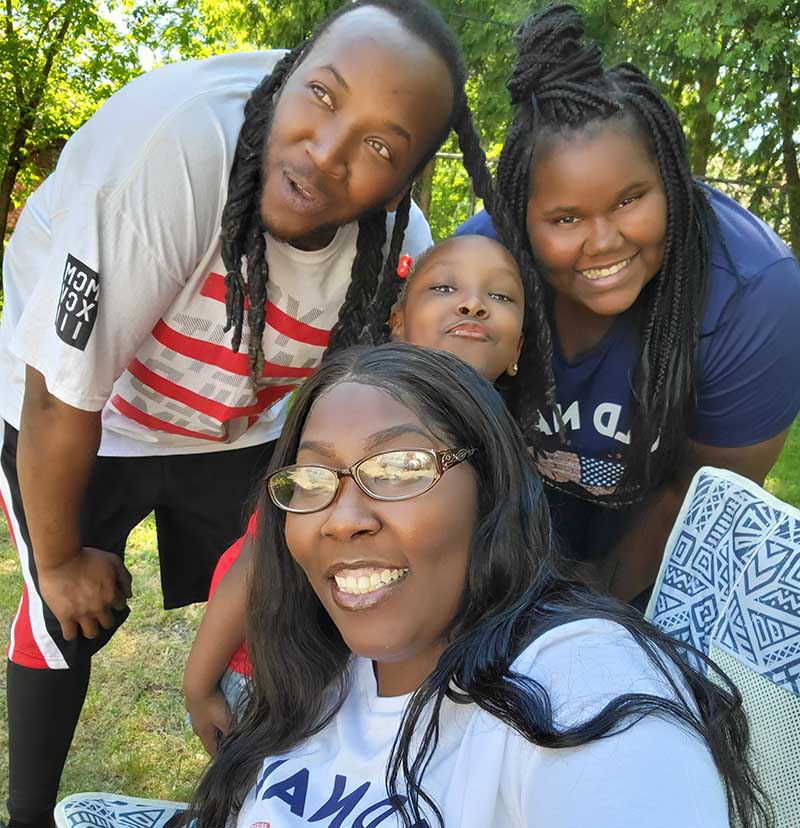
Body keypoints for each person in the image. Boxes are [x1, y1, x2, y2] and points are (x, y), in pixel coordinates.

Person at [0, 1, 494, 823]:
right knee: (67, 616)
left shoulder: (400, 248)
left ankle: (264, 794)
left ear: (405, 182)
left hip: (240, 423)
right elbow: (58, 393)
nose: (325, 153)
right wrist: (55, 565)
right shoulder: (172, 153)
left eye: (379, 146)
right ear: (286, 75)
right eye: (321, 95)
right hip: (89, 405)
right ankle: (27, 815)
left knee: (285, 604)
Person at [178, 343, 769, 828]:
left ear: (489, 489)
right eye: (312, 478)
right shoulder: (311, 663)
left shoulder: (581, 685)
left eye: (400, 468)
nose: (341, 518)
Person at [457, 4, 800, 606]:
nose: (604, 242)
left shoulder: (755, 294)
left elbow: (700, 499)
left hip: (658, 529)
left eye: (629, 200)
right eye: (566, 218)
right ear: (521, 218)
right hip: (514, 510)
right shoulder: (480, 267)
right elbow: (441, 437)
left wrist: (584, 610)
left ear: (671, 180)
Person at [183, 234, 525, 753]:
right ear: (397, 323)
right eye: (444, 287)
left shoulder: (502, 450)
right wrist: (199, 684)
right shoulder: (349, 414)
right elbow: (255, 563)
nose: (473, 303)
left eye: (499, 295)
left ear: (518, 348)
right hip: (271, 672)